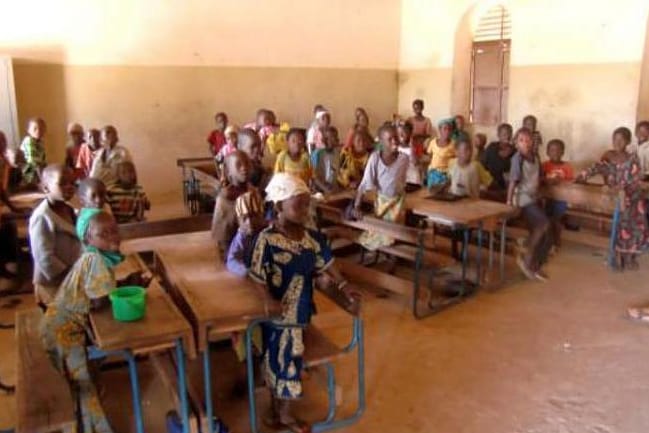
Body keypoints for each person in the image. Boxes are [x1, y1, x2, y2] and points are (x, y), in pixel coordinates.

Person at [250, 172, 354, 433]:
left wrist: (342, 285)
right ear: (278, 207)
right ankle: (283, 415)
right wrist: (268, 301)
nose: (305, 210)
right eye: (298, 205)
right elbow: (257, 276)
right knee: (285, 362)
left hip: (301, 312)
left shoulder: (311, 239)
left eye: (307, 204)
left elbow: (328, 265)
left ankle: (279, 412)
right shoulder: (267, 240)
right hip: (278, 316)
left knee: (286, 361)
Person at [40, 209, 149, 433]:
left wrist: (125, 282)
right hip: (64, 331)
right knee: (83, 386)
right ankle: (92, 428)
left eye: (115, 231)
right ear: (88, 239)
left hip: (56, 323)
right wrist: (120, 292)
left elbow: (96, 291)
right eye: (104, 233)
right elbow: (99, 300)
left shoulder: (92, 257)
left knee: (82, 383)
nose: (113, 236)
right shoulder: (95, 260)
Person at [576, 127, 649, 270]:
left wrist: (624, 189)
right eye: (615, 139)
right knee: (623, 221)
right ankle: (620, 254)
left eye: (621, 140)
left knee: (635, 221)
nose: (617, 142)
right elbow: (596, 168)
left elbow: (635, 180)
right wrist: (582, 176)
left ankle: (629, 257)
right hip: (615, 196)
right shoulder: (608, 156)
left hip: (630, 195)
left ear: (628, 141)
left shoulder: (632, 158)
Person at [29, 164, 80, 306]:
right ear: (46, 188)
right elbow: (44, 257)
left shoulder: (70, 209)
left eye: (72, 183)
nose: (69, 187)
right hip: (52, 284)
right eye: (62, 183)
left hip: (70, 279)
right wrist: (70, 275)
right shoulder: (42, 217)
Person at [352, 124, 409, 250]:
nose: (394, 141)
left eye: (396, 137)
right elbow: (364, 184)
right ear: (381, 142)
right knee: (381, 233)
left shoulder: (404, 159)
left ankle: (393, 259)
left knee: (393, 233)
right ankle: (389, 255)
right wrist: (357, 206)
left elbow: (401, 182)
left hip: (398, 203)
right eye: (389, 139)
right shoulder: (375, 158)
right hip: (382, 203)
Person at [507, 128, 551, 281]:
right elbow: (513, 181)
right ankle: (527, 258)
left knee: (543, 233)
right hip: (522, 199)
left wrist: (544, 183)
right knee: (544, 224)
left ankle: (535, 263)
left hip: (533, 198)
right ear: (516, 143)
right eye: (521, 140)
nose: (525, 143)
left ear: (533, 142)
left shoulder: (536, 156)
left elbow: (537, 177)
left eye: (528, 140)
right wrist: (509, 202)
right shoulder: (517, 159)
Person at [446, 139, 493, 260]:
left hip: (471, 204)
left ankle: (464, 250)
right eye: (465, 150)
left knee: (467, 230)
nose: (469, 153)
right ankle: (454, 251)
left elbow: (489, 181)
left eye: (470, 150)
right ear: (456, 152)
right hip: (455, 204)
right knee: (455, 229)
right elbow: (449, 180)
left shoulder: (476, 166)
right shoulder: (452, 163)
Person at [212, 151, 255, 255]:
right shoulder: (226, 198)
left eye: (247, 163)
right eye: (238, 165)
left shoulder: (252, 191)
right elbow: (222, 235)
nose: (244, 168)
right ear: (228, 171)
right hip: (232, 249)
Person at [542, 139, 574, 251]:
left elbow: (570, 182)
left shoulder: (567, 166)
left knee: (557, 219)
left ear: (562, 152)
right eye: (552, 150)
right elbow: (540, 179)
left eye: (558, 150)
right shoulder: (544, 165)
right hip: (547, 198)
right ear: (547, 152)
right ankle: (548, 239)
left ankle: (556, 239)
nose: (555, 152)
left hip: (561, 199)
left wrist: (560, 181)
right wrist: (547, 180)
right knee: (547, 219)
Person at [226, 191, 265, 277]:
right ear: (238, 222)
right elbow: (231, 261)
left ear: (261, 216)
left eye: (253, 216)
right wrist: (245, 271)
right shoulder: (241, 237)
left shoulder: (267, 234)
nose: (249, 222)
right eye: (244, 219)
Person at [0, 131, 23, 279]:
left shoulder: (4, 160)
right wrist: (12, 207)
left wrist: (12, 206)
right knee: (7, 226)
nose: (3, 144)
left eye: (4, 141)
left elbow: (2, 189)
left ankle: (12, 258)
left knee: (10, 226)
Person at [481, 123, 515, 194]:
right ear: (498, 135)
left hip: (506, 187)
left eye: (510, 133)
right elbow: (483, 165)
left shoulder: (515, 151)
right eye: (504, 134)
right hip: (490, 184)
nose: (507, 136)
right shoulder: (492, 147)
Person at [426, 118, 456, 187]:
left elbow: (455, 160)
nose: (447, 131)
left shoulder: (453, 144)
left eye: (449, 129)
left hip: (446, 175)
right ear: (440, 130)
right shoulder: (433, 142)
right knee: (431, 195)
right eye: (445, 129)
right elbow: (430, 156)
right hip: (433, 173)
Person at [311, 126, 341, 194]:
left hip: (332, 188)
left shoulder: (337, 153)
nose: (332, 139)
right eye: (328, 138)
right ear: (324, 139)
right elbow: (314, 177)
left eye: (334, 137)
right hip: (319, 189)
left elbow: (336, 172)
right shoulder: (317, 154)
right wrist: (325, 189)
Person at [20, 117, 47, 187]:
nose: (38, 131)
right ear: (28, 130)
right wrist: (42, 180)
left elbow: (43, 161)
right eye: (35, 129)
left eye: (41, 129)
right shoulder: (29, 141)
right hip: (28, 171)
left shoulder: (40, 143)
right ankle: (29, 183)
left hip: (38, 169)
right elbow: (33, 162)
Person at [396, 121, 422, 186]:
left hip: (413, 179)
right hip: (401, 178)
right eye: (398, 133)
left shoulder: (417, 146)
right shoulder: (396, 147)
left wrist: (412, 147)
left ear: (410, 134)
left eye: (403, 132)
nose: (401, 135)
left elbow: (415, 162)